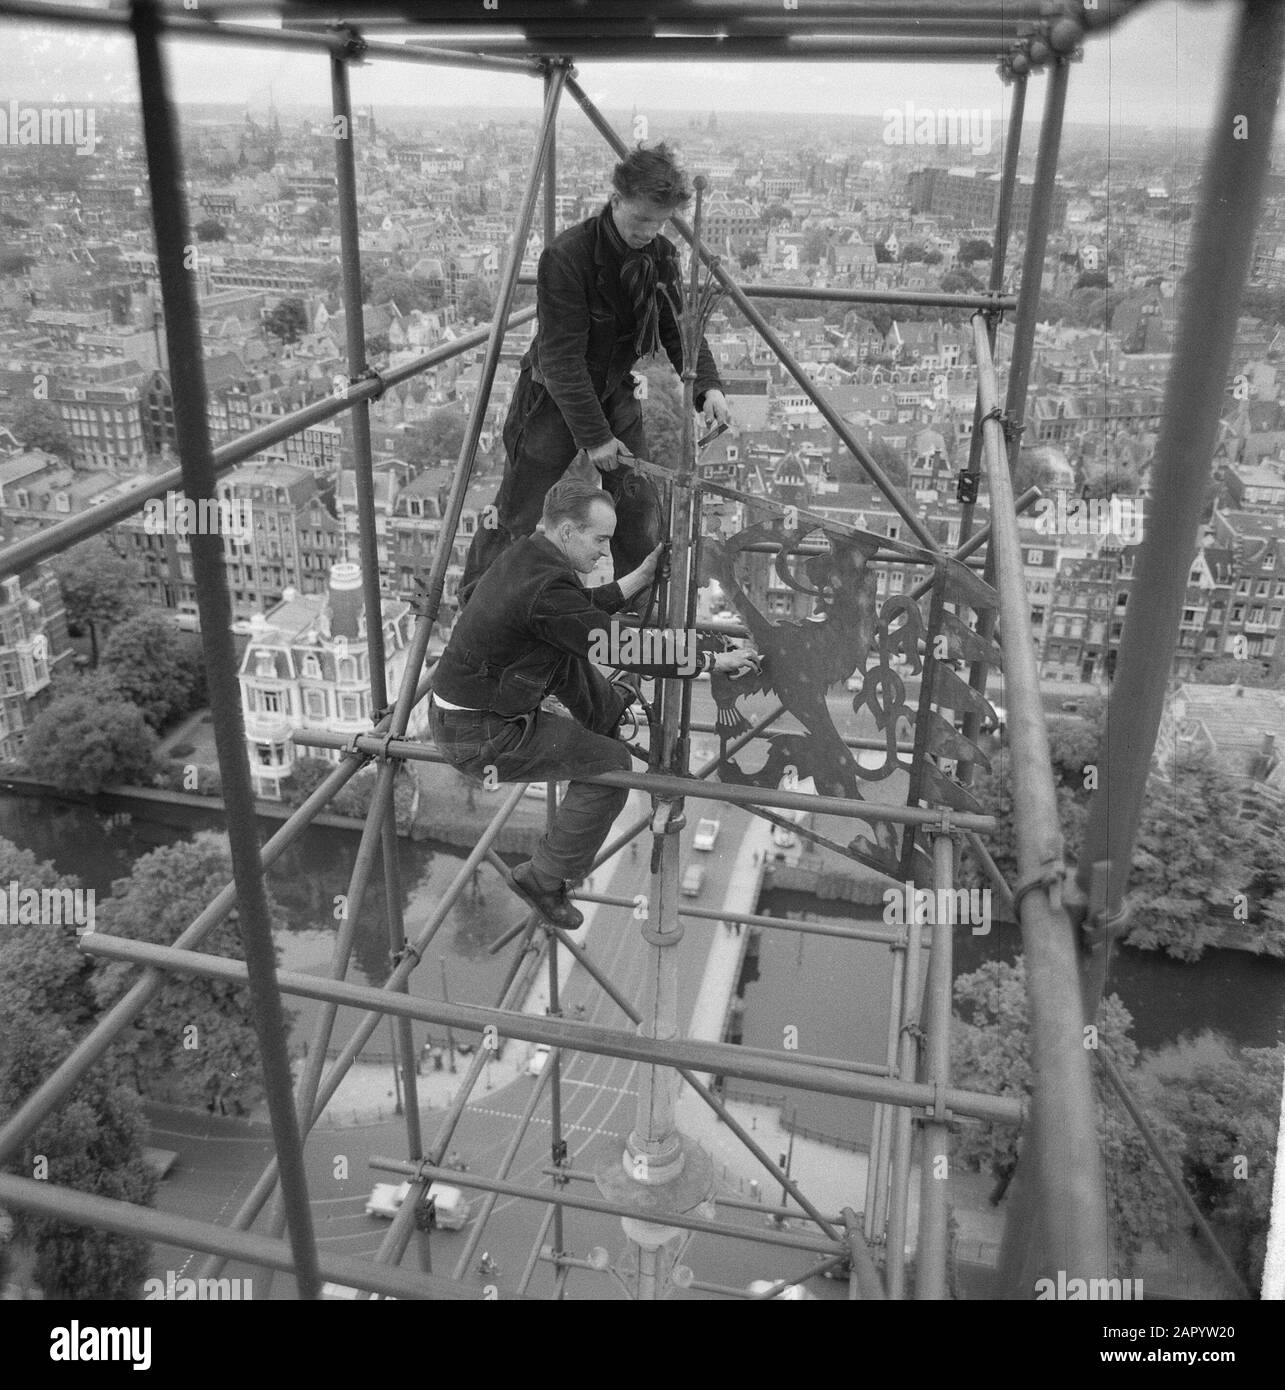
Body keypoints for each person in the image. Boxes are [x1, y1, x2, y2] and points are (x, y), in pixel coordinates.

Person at [430, 477, 758, 930]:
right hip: (480, 733)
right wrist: (709, 659)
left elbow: (576, 614)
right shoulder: (545, 588)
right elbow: (619, 646)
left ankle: (606, 714)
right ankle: (542, 880)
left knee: (567, 651)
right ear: (567, 533)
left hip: (469, 709)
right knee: (611, 764)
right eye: (600, 539)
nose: (605, 552)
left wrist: (640, 577)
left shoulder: (530, 557)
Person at [459, 141, 730, 605]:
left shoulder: (661, 256)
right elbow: (562, 359)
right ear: (616, 200)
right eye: (642, 219)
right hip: (552, 398)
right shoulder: (568, 256)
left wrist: (708, 387)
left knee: (636, 502)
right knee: (520, 509)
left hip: (612, 390)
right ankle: (479, 607)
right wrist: (596, 437)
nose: (650, 232)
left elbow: (677, 327)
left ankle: (633, 610)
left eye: (660, 222)